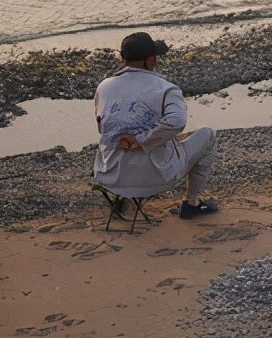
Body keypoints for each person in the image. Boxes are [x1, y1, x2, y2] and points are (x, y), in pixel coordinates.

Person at [93, 32, 218, 219]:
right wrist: (144, 141)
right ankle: (192, 204)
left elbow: (103, 127)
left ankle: (120, 198)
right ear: (150, 60)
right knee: (208, 135)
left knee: (118, 134)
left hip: (110, 176)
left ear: (123, 58)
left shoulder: (104, 87)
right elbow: (177, 121)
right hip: (156, 179)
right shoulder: (165, 88)